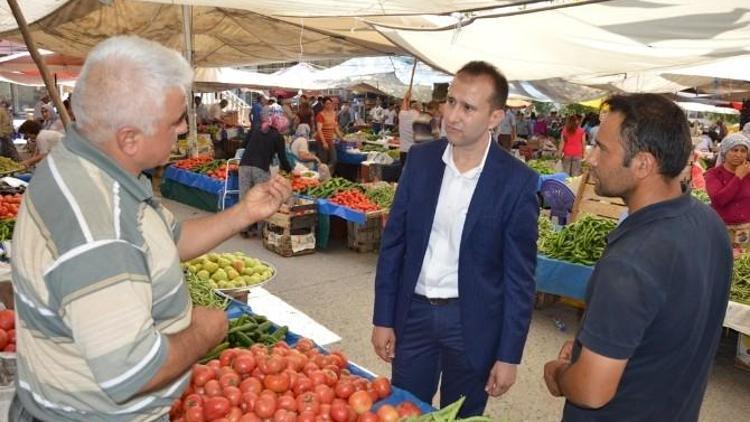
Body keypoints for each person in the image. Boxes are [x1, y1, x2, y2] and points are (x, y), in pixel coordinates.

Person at [8, 35, 292, 422]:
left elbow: (169, 240)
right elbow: (131, 371)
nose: (182, 128)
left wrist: (244, 212)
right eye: (176, 120)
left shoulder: (90, 165)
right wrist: (205, 331)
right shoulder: (98, 223)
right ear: (129, 138)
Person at [543, 94, 733, 422]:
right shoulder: (709, 224)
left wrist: (561, 373)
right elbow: (664, 330)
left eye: (601, 148)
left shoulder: (630, 261)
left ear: (643, 164)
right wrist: (592, 349)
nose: (589, 158)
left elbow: (591, 391)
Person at [372, 61, 539, 417]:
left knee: (463, 413)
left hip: (472, 321)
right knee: (405, 409)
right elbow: (394, 245)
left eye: (468, 107)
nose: (453, 115)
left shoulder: (516, 181)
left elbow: (519, 278)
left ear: (495, 117)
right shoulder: (420, 160)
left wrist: (509, 355)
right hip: (414, 314)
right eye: (451, 101)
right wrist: (383, 317)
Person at [238, 113, 293, 237]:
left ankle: (243, 228)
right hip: (260, 168)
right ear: (281, 126)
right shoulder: (278, 137)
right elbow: (283, 158)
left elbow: (243, 145)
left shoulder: (257, 129)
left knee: (244, 197)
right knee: (262, 199)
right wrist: (290, 171)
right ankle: (260, 229)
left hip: (244, 165)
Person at [705, 133, 750, 252]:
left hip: (746, 231)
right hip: (721, 229)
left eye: (743, 151)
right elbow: (719, 200)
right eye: (734, 150)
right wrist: (738, 177)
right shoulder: (713, 174)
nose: (738, 155)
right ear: (725, 152)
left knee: (743, 265)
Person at [315, 97, 343, 173]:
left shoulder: (333, 114)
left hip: (330, 140)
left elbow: (335, 127)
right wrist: (324, 142)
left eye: (330, 103)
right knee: (324, 159)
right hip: (321, 140)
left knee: (334, 159)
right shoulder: (320, 115)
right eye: (327, 103)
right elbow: (319, 130)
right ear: (323, 104)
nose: (329, 105)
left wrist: (341, 138)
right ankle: (322, 175)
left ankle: (327, 174)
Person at [397, 93, 420, 165]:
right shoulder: (420, 117)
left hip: (403, 150)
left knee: (403, 172)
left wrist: (406, 97)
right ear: (419, 108)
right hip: (414, 150)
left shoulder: (403, 114)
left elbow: (403, 107)